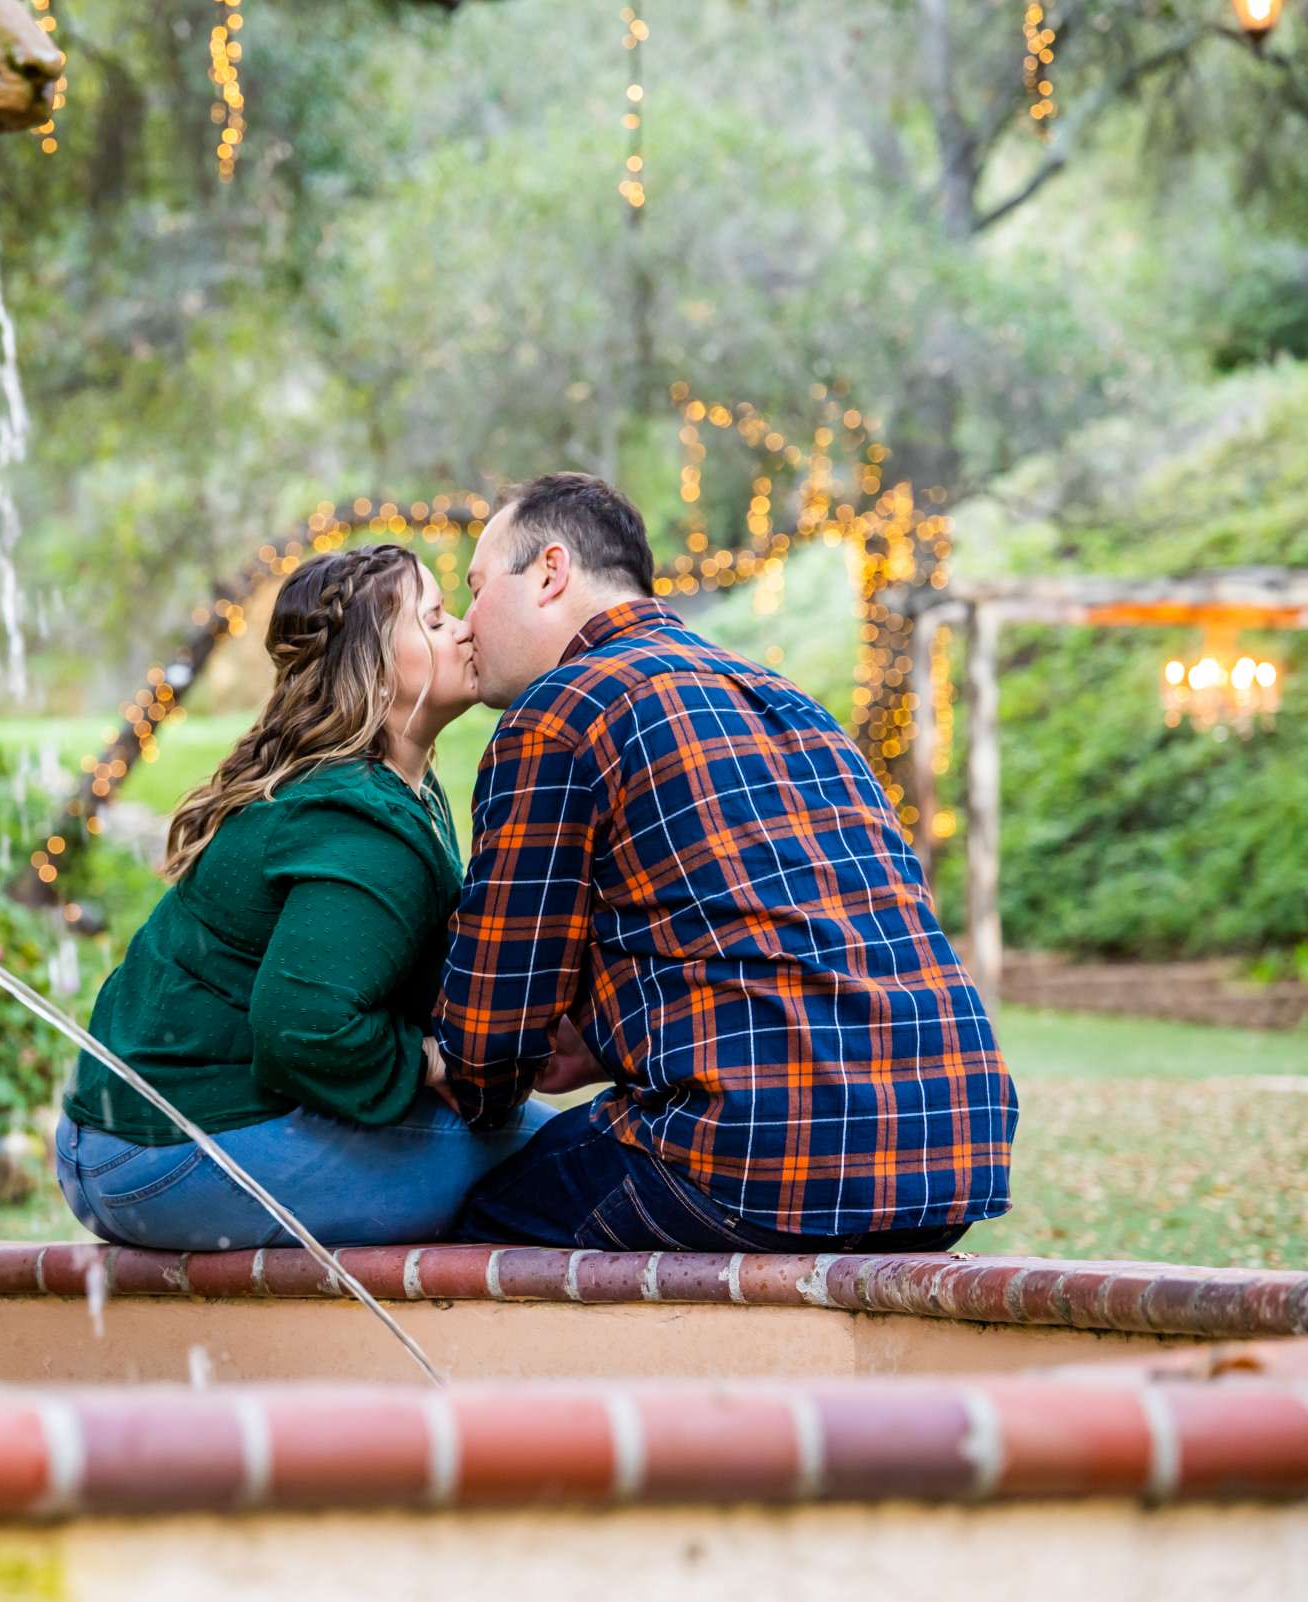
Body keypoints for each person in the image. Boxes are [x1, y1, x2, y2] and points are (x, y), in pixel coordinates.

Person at [433, 473, 1016, 1253]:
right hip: (952, 1151)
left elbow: (486, 1049)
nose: (467, 625)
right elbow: (768, 934)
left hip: (762, 1159)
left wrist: (458, 1070)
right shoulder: (785, 698)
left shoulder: (560, 714)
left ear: (550, 572)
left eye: (474, 589)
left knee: (468, 1231)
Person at [56, 543, 554, 1251]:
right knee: (558, 1158)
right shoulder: (359, 825)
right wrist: (432, 1062)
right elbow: (305, 1028)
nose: (465, 629)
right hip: (155, 1160)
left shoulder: (382, 790)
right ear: (375, 668)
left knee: (537, 1143)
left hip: (116, 1139)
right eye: (436, 619)